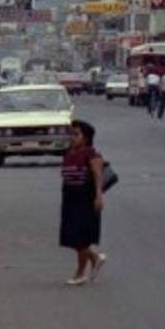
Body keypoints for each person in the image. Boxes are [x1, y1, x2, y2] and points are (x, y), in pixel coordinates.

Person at [59, 120, 106, 286]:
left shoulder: (91, 154)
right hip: (70, 197)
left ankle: (80, 274)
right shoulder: (69, 153)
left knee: (80, 238)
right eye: (71, 134)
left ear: (86, 138)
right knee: (70, 236)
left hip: (85, 199)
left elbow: (98, 175)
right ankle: (94, 257)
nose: (73, 137)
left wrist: (99, 196)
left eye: (77, 134)